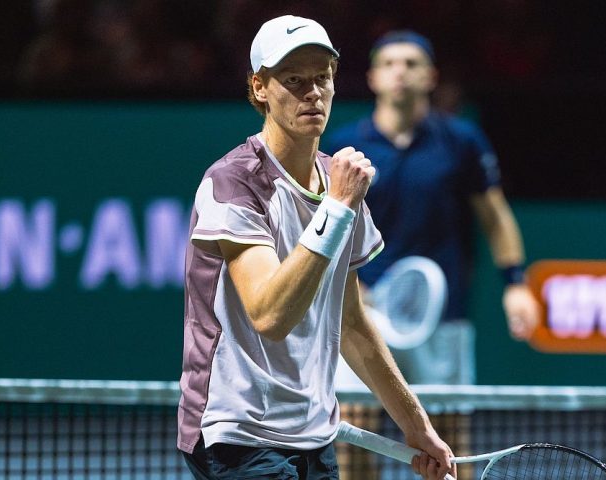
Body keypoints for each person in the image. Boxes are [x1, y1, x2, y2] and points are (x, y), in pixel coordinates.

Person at [177, 16, 456, 480]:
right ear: (260, 88)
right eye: (293, 79)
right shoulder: (232, 184)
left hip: (314, 434)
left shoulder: (337, 182)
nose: (312, 91)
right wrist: (339, 208)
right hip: (236, 434)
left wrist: (416, 424)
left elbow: (352, 324)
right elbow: (270, 315)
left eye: (322, 76)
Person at [325, 30, 540, 384]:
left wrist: (515, 284)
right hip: (363, 311)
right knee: (353, 426)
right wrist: (348, 287)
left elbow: (495, 216)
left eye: (411, 64)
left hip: (441, 312)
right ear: (372, 78)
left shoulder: (461, 141)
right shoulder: (345, 146)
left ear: (430, 77)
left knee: (446, 435)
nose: (400, 72)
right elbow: (329, 226)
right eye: (389, 64)